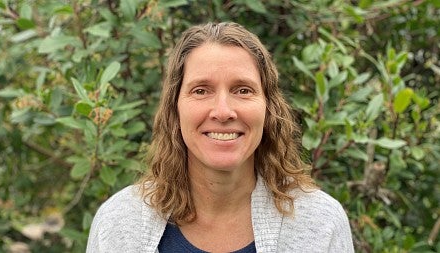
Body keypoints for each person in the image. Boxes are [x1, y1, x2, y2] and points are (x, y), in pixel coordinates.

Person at [86, 22, 354, 253]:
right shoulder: (118, 223)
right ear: (174, 109)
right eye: (201, 90)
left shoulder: (320, 223)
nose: (223, 111)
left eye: (243, 90)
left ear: (269, 108)